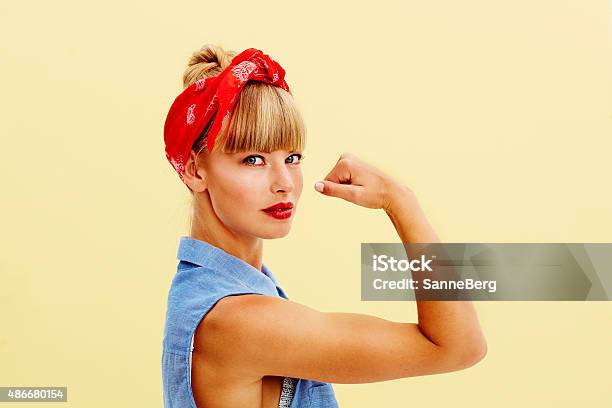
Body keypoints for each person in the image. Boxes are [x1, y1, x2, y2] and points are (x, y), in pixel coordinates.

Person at [161, 44, 487, 408]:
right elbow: (457, 346)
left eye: (292, 157)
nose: (284, 181)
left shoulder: (209, 292)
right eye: (253, 159)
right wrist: (401, 201)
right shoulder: (239, 320)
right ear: (193, 170)